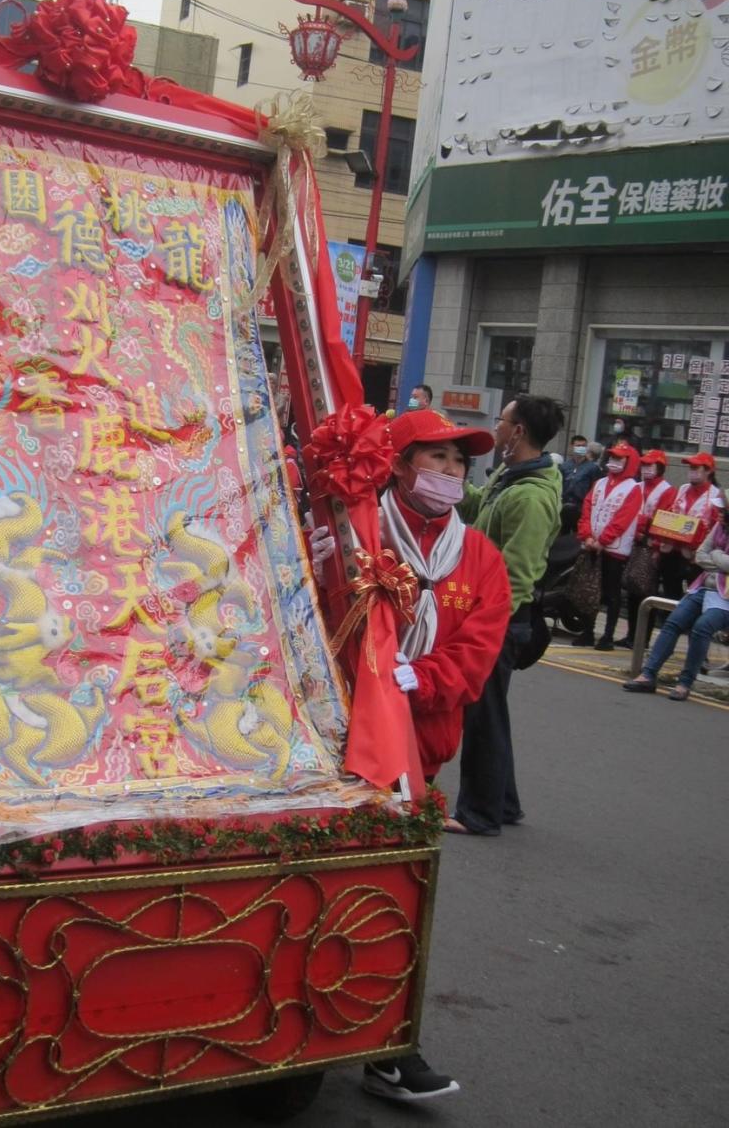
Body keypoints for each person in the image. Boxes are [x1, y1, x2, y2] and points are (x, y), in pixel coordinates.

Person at [310, 407, 511, 1103]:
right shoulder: (354, 532)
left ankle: (389, 1046)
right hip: (330, 741)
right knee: (314, 887)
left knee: (394, 897)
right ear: (397, 466)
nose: (450, 474)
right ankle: (303, 1026)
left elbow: (477, 654)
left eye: (460, 463)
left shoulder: (479, 558)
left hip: (414, 753)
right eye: (436, 459)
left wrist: (408, 680)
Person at [446, 394, 564, 837]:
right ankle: (505, 802)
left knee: (482, 715)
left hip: (502, 619)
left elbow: (518, 574)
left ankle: (479, 813)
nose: (495, 427)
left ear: (518, 432)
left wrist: (482, 627)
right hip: (492, 613)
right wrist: (446, 480)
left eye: (501, 421)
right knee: (491, 710)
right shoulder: (511, 474)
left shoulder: (532, 498)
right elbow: (476, 506)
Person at [623, 494, 729, 701]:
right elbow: (700, 555)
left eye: (724, 511)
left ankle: (685, 682)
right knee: (673, 622)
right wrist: (719, 560)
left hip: (725, 597)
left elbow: (718, 560)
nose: (720, 514)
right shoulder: (719, 527)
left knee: (702, 627)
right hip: (703, 588)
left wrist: (715, 556)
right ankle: (648, 674)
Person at [572, 443, 642, 650]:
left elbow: (622, 520)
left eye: (620, 459)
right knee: (590, 589)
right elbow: (586, 509)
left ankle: (608, 636)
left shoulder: (633, 488)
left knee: (611, 594)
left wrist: (603, 541)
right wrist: (587, 536)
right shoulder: (600, 483)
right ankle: (587, 631)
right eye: (612, 457)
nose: (614, 462)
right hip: (592, 544)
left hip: (615, 550)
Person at [615, 449, 676, 649]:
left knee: (644, 593)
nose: (646, 469)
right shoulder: (637, 487)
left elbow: (662, 520)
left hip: (650, 547)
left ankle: (642, 639)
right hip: (634, 542)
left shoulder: (667, 490)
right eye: (644, 465)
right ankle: (632, 634)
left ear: (660, 467)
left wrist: (640, 524)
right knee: (632, 592)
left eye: (650, 465)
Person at [657, 452, 722, 601]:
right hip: (673, 550)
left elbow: (716, 529)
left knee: (693, 596)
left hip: (695, 557)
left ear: (709, 471)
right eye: (690, 467)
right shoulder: (683, 488)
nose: (691, 471)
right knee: (669, 594)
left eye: (696, 467)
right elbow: (672, 514)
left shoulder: (716, 496)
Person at [560, 434, 602, 533]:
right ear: (572, 447)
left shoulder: (592, 468)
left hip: (581, 508)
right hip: (564, 506)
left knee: (578, 536)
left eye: (583, 446)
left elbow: (596, 488)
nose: (581, 448)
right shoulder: (564, 466)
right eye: (578, 446)